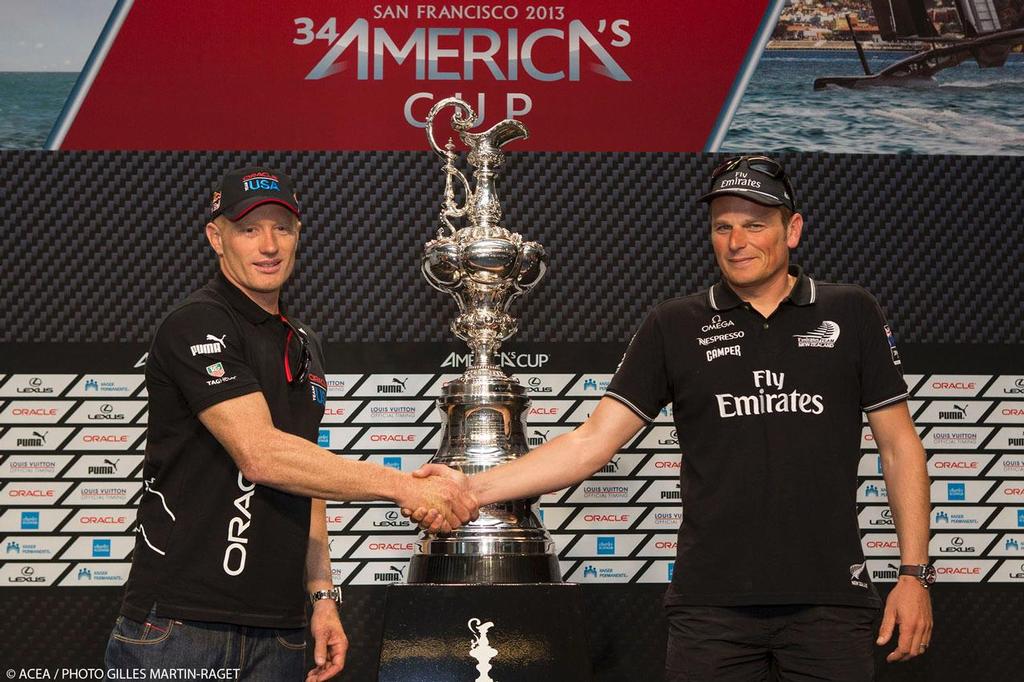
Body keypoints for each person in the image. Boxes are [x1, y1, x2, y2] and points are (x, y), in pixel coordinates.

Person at [409, 156, 933, 681]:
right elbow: (592, 440)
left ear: (792, 230)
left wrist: (914, 574)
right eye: (722, 227)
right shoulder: (675, 324)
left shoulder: (851, 312)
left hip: (830, 601)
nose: (737, 241)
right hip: (711, 608)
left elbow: (898, 446)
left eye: (755, 225)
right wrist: (473, 490)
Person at [105, 167, 478, 681]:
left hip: (279, 629)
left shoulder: (302, 341)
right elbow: (261, 455)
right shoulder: (198, 322)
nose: (269, 245)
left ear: (298, 235)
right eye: (249, 228)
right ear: (217, 237)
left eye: (282, 227)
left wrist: (322, 597)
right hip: (180, 626)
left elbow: (308, 474)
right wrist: (400, 487)